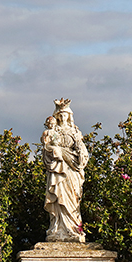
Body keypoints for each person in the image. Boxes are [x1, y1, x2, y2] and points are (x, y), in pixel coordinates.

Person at [43, 99, 89, 242]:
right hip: (58, 168)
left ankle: (73, 227)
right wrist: (54, 152)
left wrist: (80, 157)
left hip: (72, 169)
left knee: (72, 197)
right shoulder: (52, 131)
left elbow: (82, 152)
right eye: (60, 115)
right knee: (58, 196)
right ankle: (58, 228)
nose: (62, 118)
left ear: (69, 116)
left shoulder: (75, 132)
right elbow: (46, 151)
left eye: (65, 115)